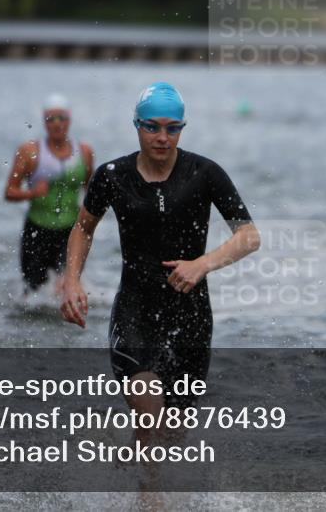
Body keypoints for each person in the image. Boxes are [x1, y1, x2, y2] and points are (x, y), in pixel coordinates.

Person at [59, 82, 260, 419]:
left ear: (182, 128)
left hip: (191, 315)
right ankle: (143, 469)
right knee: (149, 408)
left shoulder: (205, 173)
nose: (162, 137)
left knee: (172, 432)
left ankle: (133, 469)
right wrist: (71, 280)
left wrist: (202, 264)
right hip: (135, 309)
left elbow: (249, 235)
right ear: (137, 125)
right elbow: (83, 228)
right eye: (152, 127)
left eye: (172, 128)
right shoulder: (112, 176)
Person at [4, 94, 93, 293]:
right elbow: (9, 192)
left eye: (62, 118)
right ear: (44, 122)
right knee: (34, 293)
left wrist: (88, 214)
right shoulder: (29, 151)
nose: (57, 123)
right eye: (51, 118)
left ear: (69, 120)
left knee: (65, 287)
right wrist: (32, 193)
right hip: (37, 230)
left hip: (70, 231)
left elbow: (91, 191)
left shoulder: (84, 152)